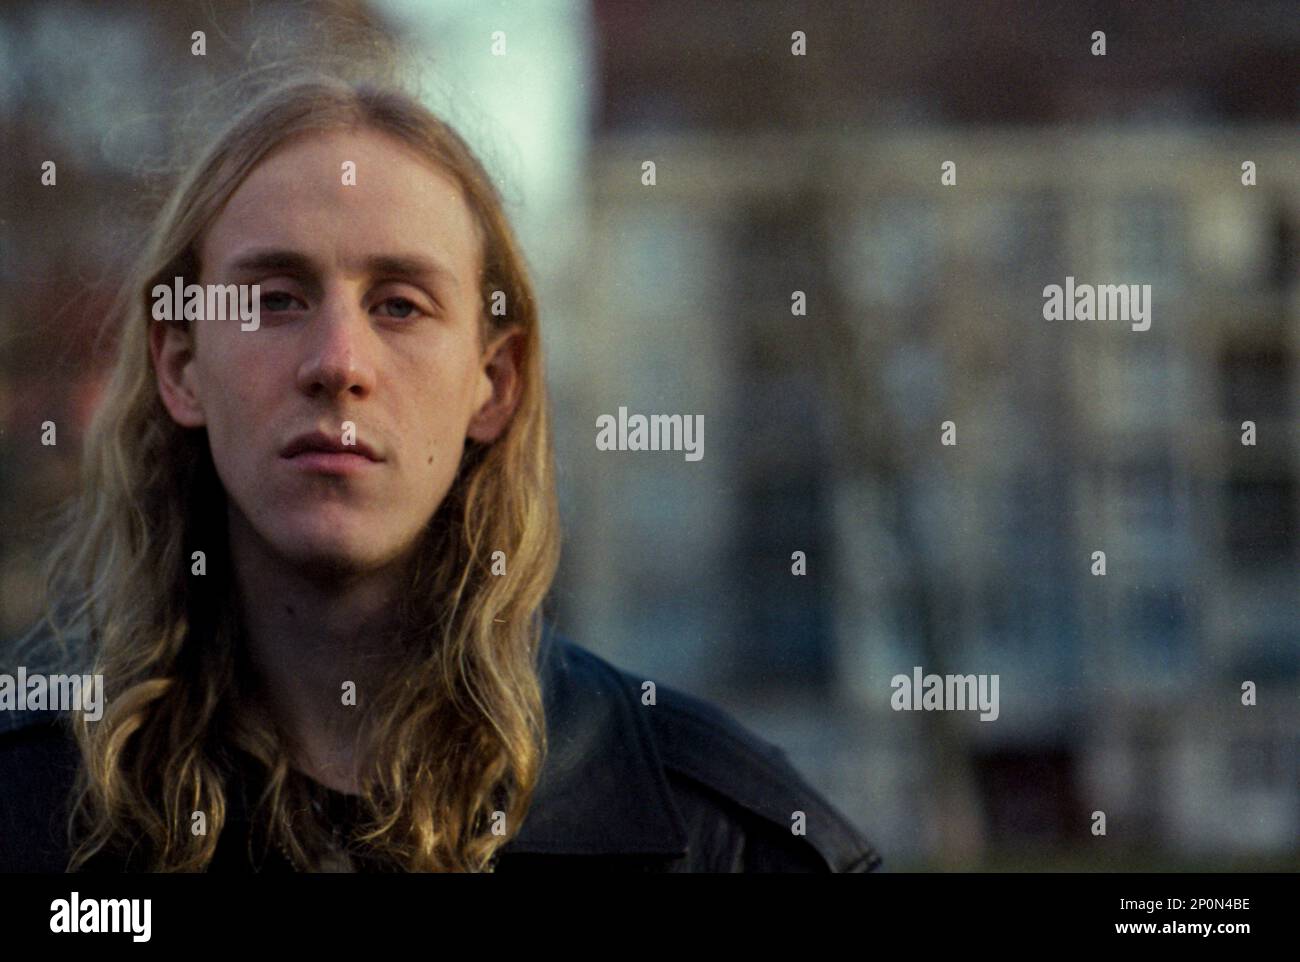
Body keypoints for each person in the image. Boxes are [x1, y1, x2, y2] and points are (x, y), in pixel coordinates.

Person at [0, 76, 882, 873]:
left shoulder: (720, 840)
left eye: (400, 305)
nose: (338, 362)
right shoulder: (32, 806)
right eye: (275, 300)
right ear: (181, 367)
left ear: (491, 384)